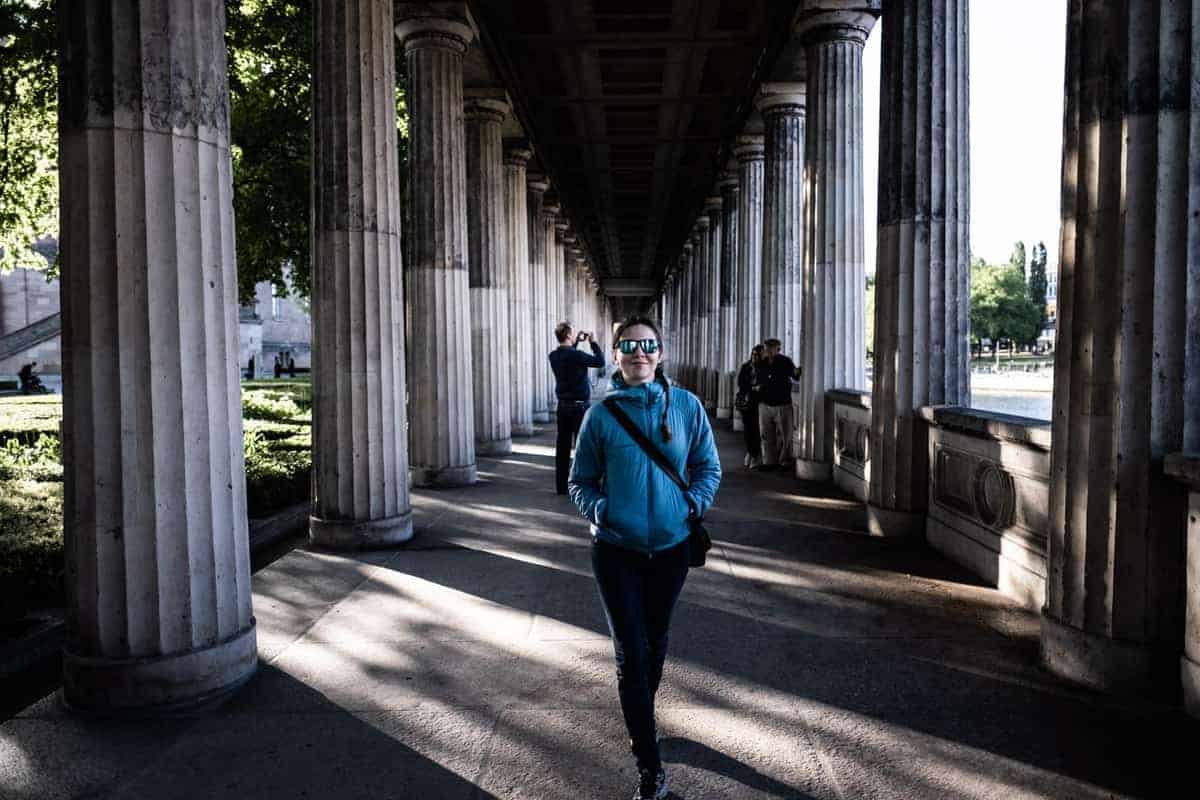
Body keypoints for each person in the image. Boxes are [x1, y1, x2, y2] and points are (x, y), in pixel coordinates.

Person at [568, 316, 722, 800]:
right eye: (629, 345)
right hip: (616, 550)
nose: (640, 352)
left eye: (648, 344)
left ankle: (642, 715)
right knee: (631, 653)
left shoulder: (687, 407)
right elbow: (580, 481)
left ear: (660, 353)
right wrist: (604, 511)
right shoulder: (600, 417)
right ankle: (648, 764)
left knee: (655, 642)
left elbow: (708, 466)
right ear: (615, 355)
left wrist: (691, 505)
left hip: (672, 549)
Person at [548, 321, 605, 495]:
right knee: (583, 447)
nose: (575, 335)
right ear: (568, 335)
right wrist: (593, 342)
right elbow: (600, 361)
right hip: (579, 408)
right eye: (572, 333)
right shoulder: (577, 355)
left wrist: (577, 341)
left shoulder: (553, 356)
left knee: (562, 447)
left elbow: (569, 356)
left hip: (563, 407)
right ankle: (584, 484)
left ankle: (561, 486)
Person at [756, 337, 798, 471]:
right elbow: (756, 379)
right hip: (765, 403)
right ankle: (769, 462)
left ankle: (784, 461)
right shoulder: (761, 363)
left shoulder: (786, 362)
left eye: (771, 348)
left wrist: (799, 370)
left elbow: (795, 376)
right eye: (766, 348)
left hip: (782, 403)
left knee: (786, 434)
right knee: (766, 434)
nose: (768, 351)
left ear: (778, 349)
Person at [736, 344, 765, 469]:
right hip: (746, 402)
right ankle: (751, 452)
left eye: (757, 355)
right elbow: (740, 383)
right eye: (753, 354)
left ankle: (753, 455)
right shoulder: (746, 366)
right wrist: (753, 388)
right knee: (748, 429)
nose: (754, 357)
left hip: (758, 403)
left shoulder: (764, 368)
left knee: (756, 429)